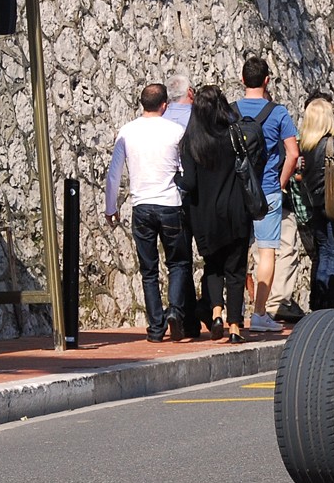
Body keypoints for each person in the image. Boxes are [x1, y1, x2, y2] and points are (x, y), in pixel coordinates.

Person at [104, 83, 193, 343]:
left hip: (141, 206)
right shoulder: (176, 131)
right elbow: (184, 171)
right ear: (164, 105)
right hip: (170, 204)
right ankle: (175, 310)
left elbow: (113, 174)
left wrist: (111, 207)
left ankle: (156, 327)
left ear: (142, 103)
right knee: (178, 263)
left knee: (149, 270)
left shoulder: (127, 131)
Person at [176, 85, 252, 344]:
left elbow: (189, 183)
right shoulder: (233, 134)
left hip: (205, 215)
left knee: (213, 267)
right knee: (236, 271)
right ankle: (235, 327)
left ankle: (216, 314)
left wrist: (174, 178)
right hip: (235, 210)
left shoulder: (191, 141)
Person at [235, 57, 304, 331]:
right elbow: (293, 153)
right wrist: (281, 182)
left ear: (242, 79)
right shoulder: (278, 113)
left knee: (236, 253)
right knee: (266, 253)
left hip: (237, 192)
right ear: (266, 80)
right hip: (267, 192)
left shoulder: (230, 111)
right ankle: (260, 314)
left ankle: (234, 312)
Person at [162, 72, 204, 338]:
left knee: (180, 259)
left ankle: (187, 319)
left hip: (170, 196)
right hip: (198, 195)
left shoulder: (162, 120)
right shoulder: (198, 119)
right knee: (212, 255)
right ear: (190, 93)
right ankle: (209, 308)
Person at [297, 93, 334, 311]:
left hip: (314, 204)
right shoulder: (331, 144)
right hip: (333, 204)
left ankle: (319, 299)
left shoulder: (305, 146)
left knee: (323, 251)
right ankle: (331, 300)